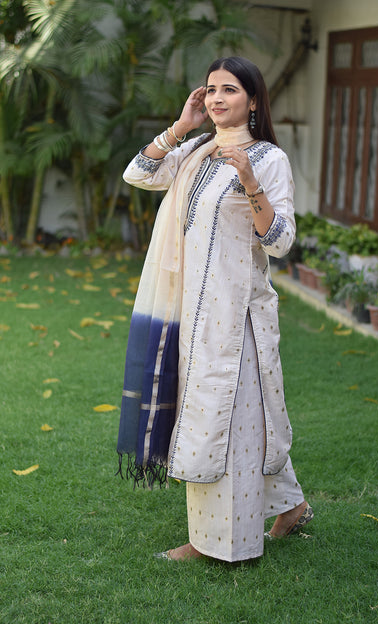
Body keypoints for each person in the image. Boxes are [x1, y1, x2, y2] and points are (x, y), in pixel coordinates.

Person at [117, 56, 313, 562]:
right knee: (244, 419)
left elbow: (281, 241)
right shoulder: (196, 151)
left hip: (237, 315)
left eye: (229, 89)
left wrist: (249, 178)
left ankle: (217, 544)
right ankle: (290, 507)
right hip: (192, 311)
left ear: (252, 100)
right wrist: (182, 127)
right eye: (210, 89)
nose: (217, 98)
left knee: (226, 421)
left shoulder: (269, 159)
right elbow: (138, 174)